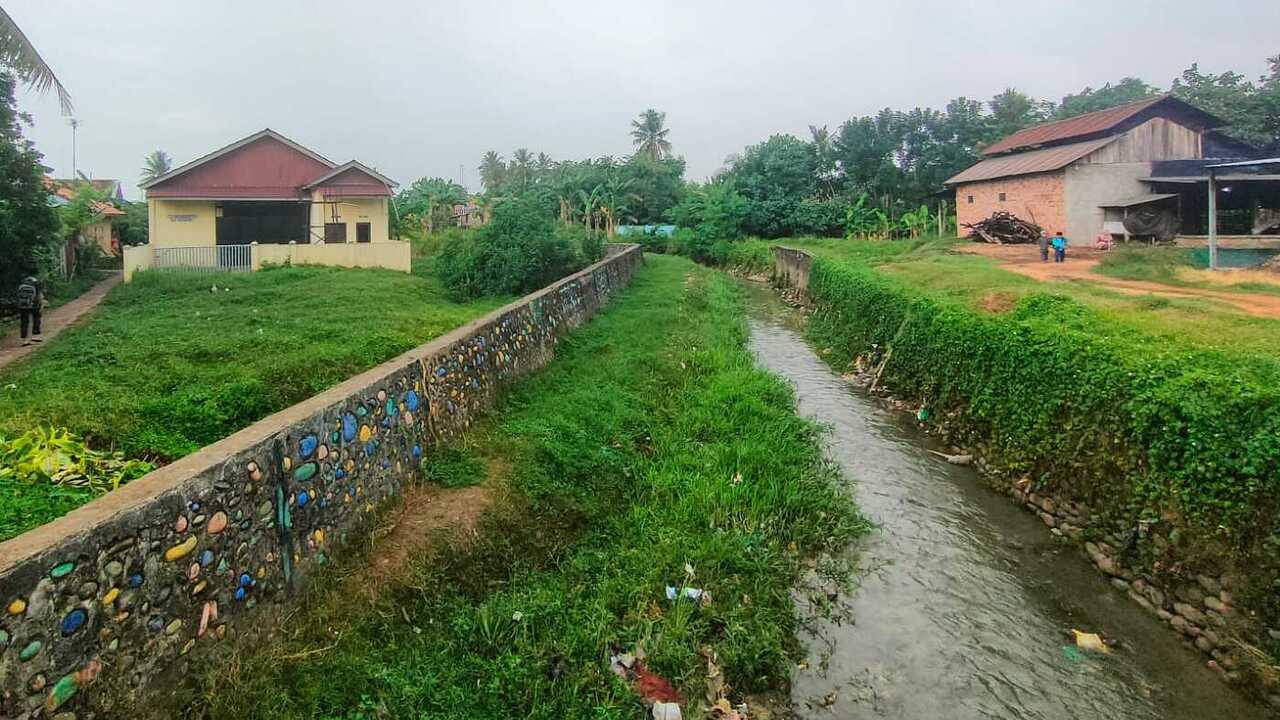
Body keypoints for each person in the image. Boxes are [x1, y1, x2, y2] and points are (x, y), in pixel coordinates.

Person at [15, 274, 44, 346]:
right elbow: (39, 295)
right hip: (34, 304)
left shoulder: (22, 283)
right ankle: (36, 336)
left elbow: (18, 295)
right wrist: (41, 304)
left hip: (23, 305)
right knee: (36, 317)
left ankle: (24, 339)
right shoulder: (36, 283)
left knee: (24, 321)